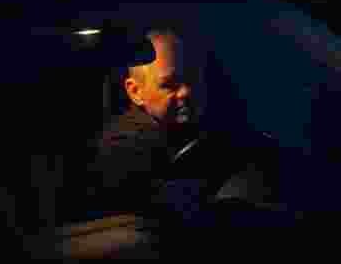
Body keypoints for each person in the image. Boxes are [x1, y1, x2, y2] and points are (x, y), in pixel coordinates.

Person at [59, 28, 282, 233]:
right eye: (169, 85)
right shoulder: (122, 149)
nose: (186, 92)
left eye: (191, 78)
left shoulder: (203, 129)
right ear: (135, 91)